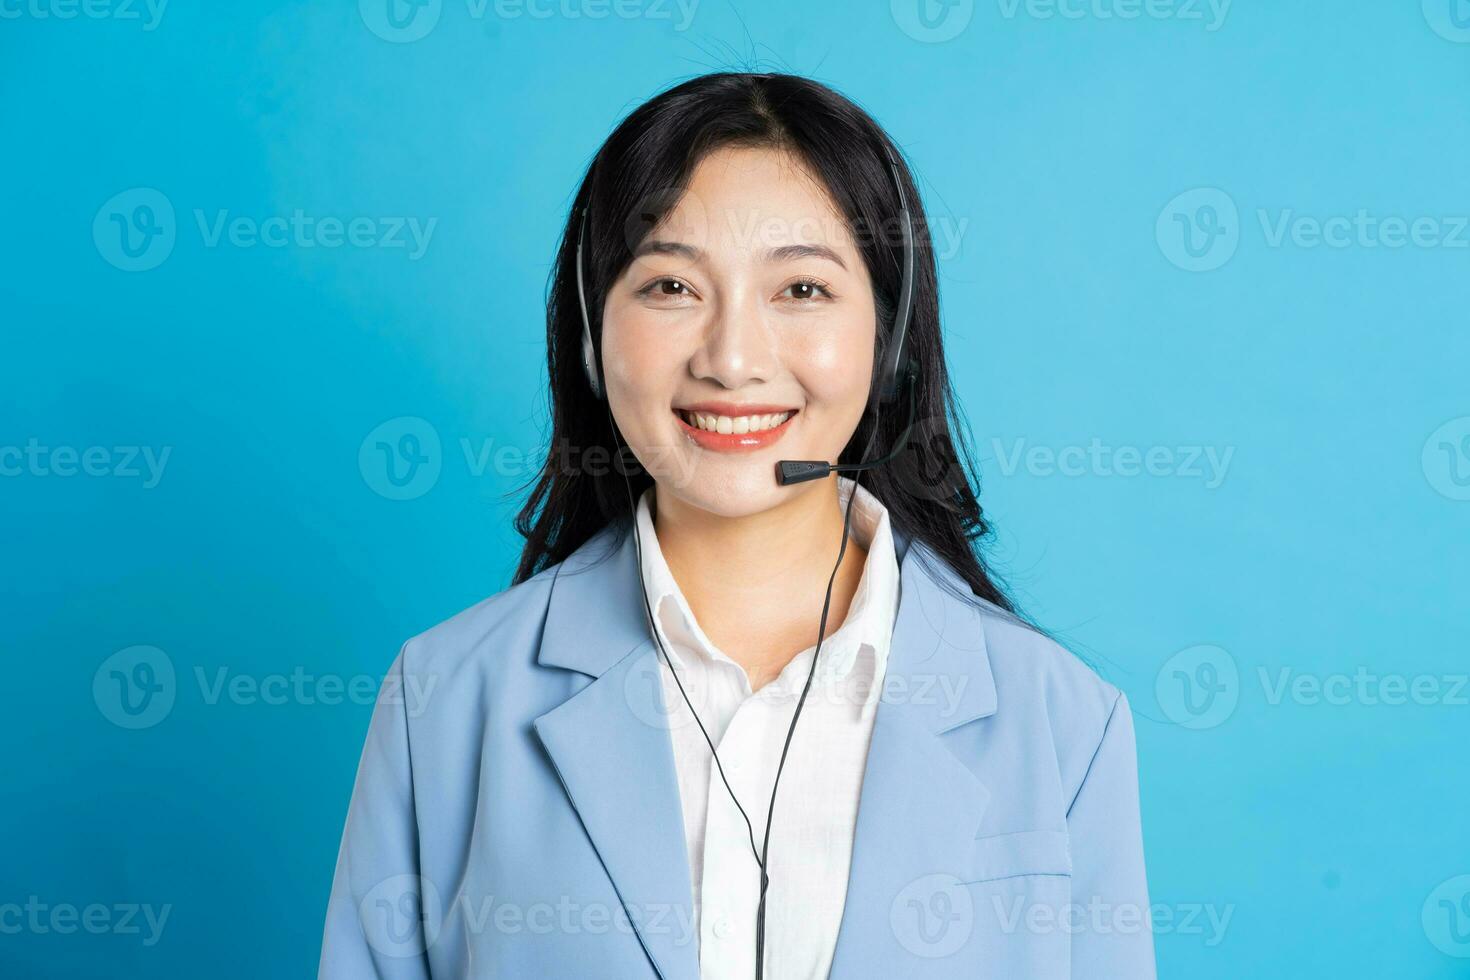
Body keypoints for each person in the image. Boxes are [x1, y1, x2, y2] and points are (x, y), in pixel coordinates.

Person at [319, 71, 1156, 980]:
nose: (731, 359)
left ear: (890, 333)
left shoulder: (1064, 721)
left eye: (800, 289)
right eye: (672, 284)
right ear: (594, 337)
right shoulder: (443, 700)